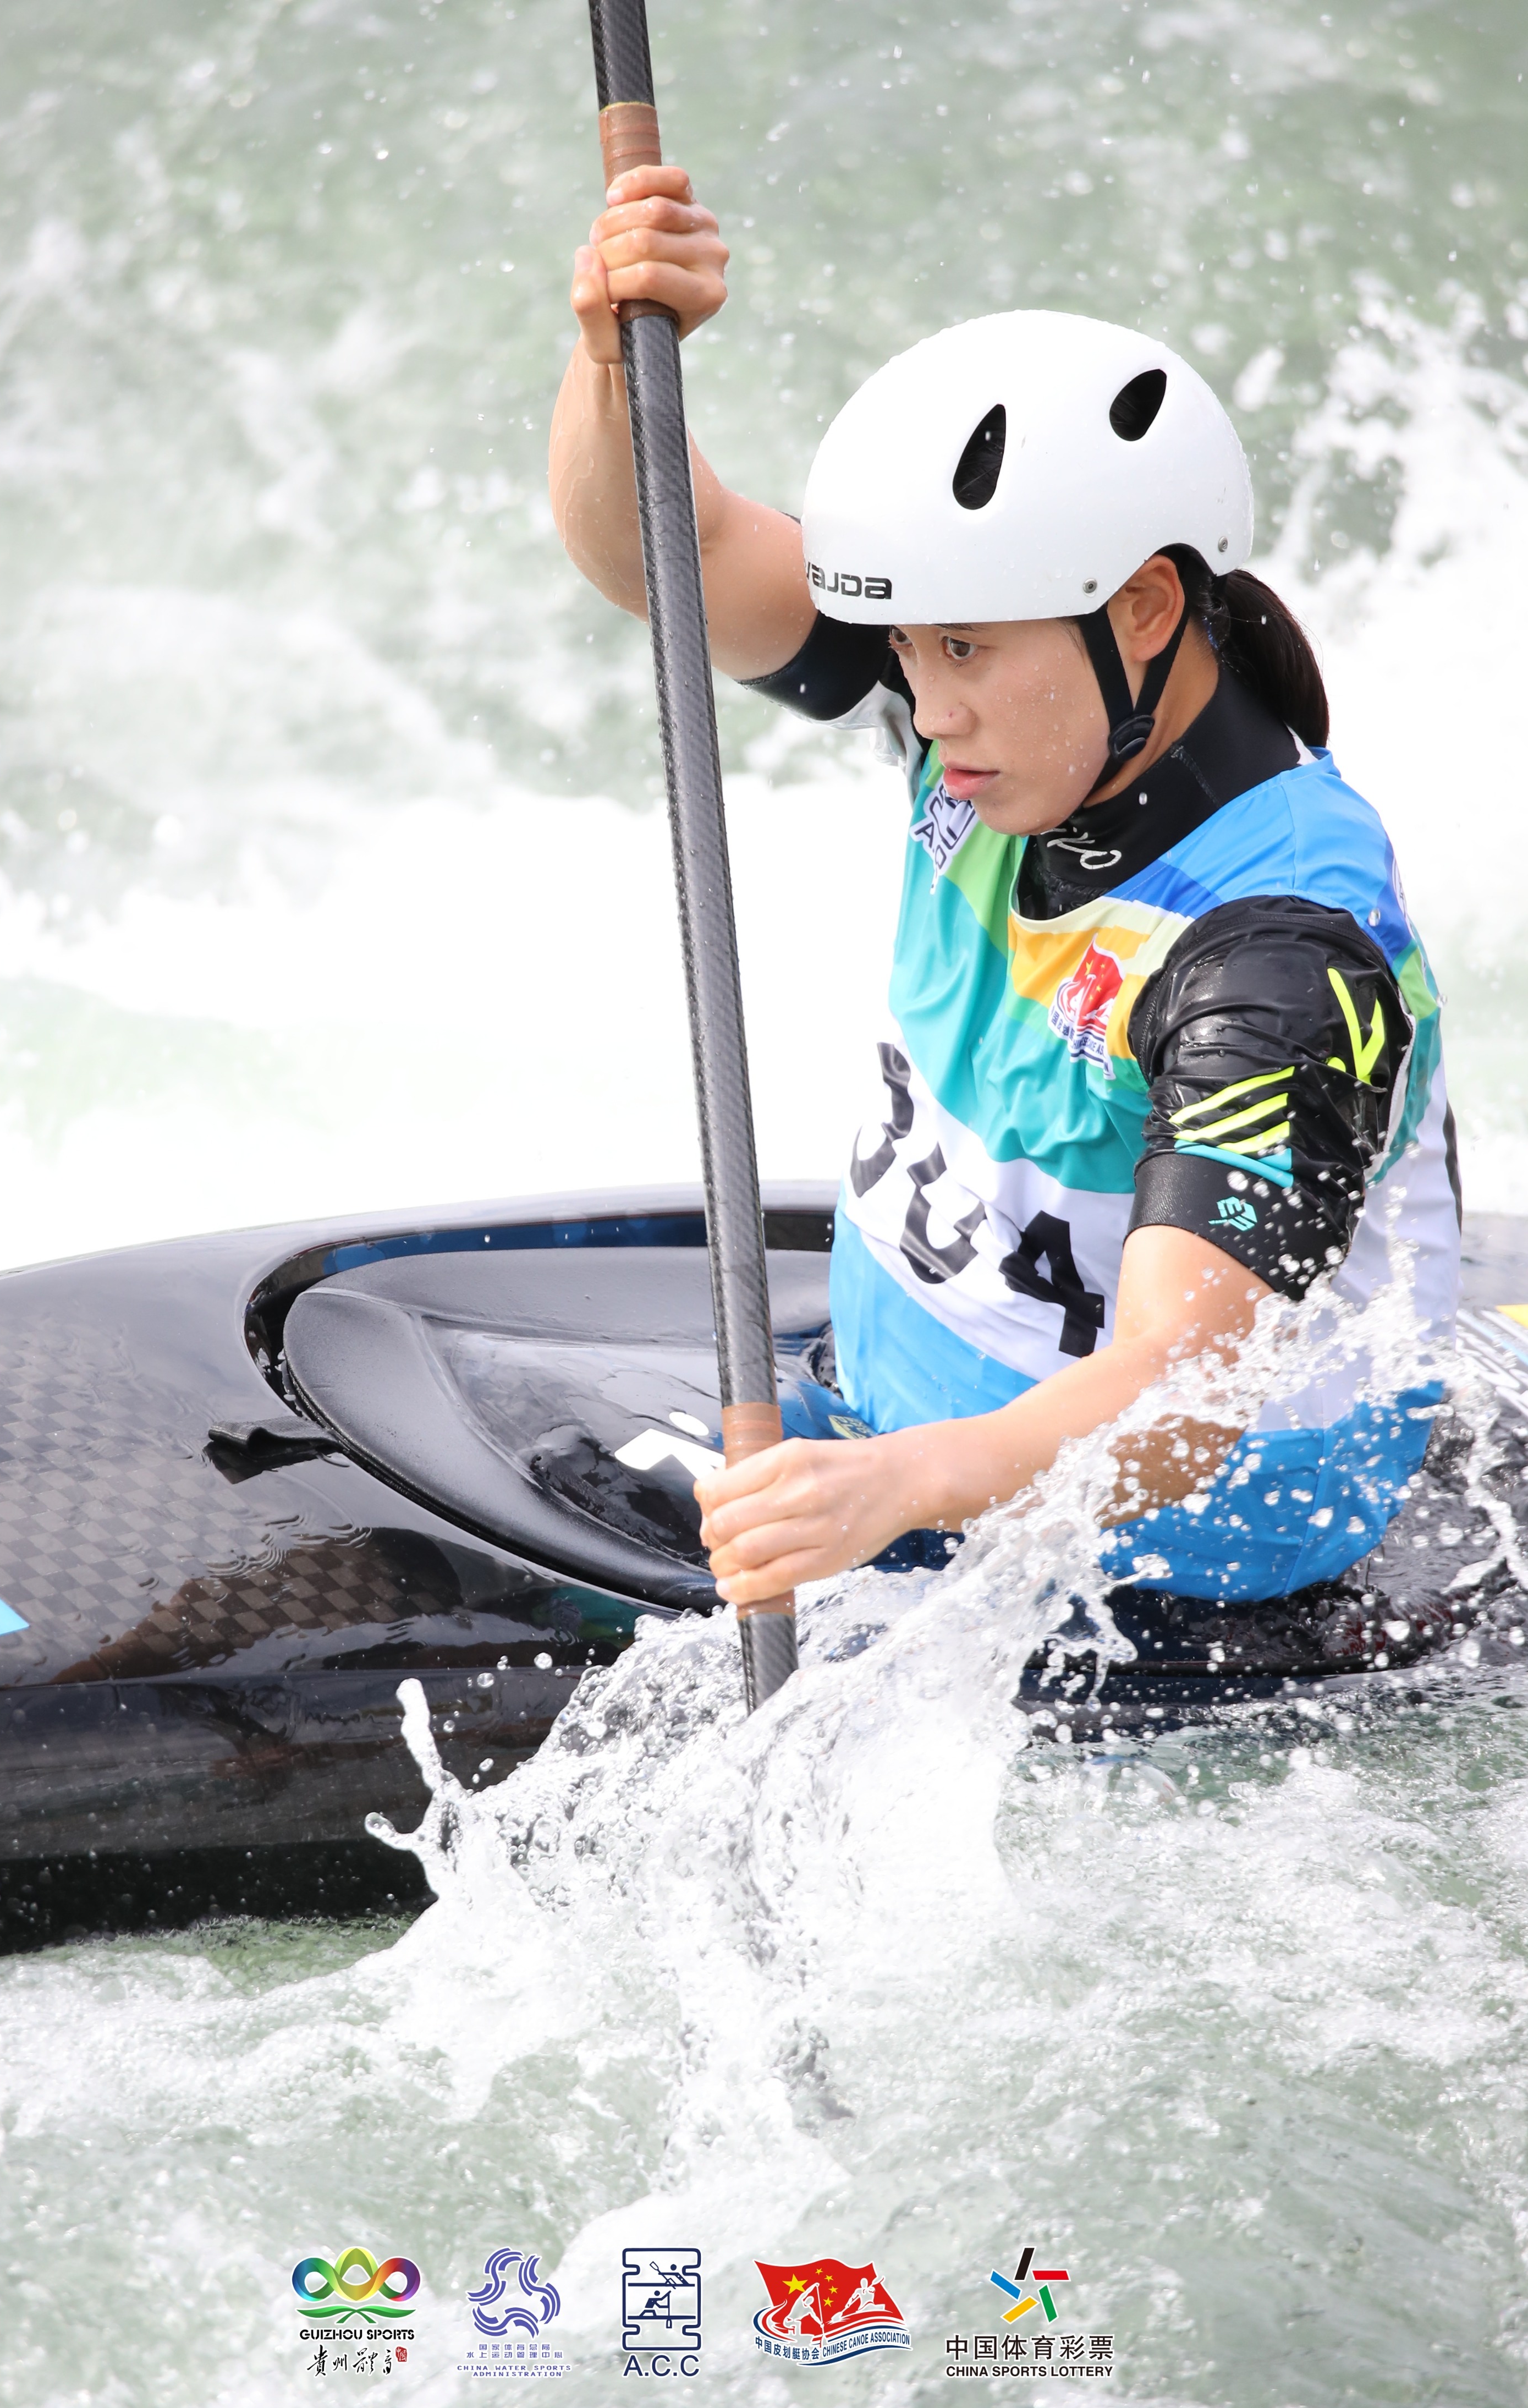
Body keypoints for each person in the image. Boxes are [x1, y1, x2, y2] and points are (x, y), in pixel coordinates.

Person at [548, 163, 1460, 1618]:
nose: (925, 709)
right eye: (909, 651)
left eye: (962, 651)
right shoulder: (1013, 706)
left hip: (1176, 1556)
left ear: (1143, 607)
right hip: (907, 1428)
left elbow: (1184, 1389)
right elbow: (671, 556)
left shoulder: (1276, 959)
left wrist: (898, 1486)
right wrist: (610, 357)